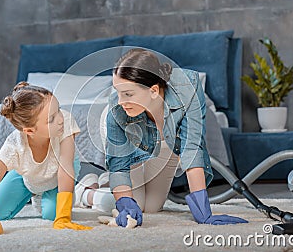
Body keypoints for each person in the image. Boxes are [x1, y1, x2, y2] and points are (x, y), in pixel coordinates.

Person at [105, 48, 248, 227]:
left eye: (128, 94)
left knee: (152, 208)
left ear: (154, 91)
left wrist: (203, 211)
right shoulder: (117, 111)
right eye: (117, 92)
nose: (120, 101)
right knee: (136, 206)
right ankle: (88, 193)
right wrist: (123, 202)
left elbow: (192, 147)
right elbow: (119, 164)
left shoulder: (188, 91)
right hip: (132, 144)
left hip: (167, 147)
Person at [0, 82, 92, 235]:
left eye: (58, 109)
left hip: (60, 172)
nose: (60, 119)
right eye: (51, 119)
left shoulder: (64, 122)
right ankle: (36, 192)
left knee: (52, 216)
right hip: (27, 174)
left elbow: (65, 168)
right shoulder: (14, 146)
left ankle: (78, 191)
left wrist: (64, 217)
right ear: (30, 130)